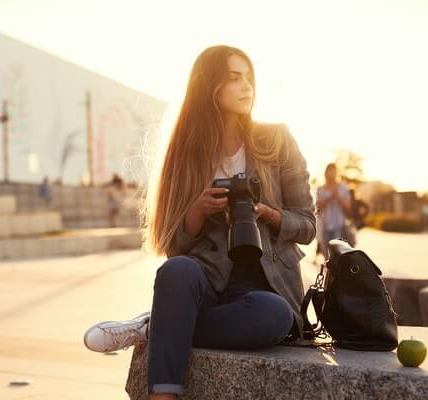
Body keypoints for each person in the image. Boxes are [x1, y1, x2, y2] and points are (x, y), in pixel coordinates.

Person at [82, 45, 315, 399]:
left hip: (265, 289)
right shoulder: (187, 152)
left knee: (275, 316)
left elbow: (308, 225)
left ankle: (156, 325)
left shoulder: (276, 140)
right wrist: (196, 211)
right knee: (176, 271)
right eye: (234, 77)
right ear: (210, 85)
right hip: (207, 284)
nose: (246, 86)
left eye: (249, 77)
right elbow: (171, 246)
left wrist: (270, 214)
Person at [315, 163, 351, 259]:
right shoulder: (321, 189)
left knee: (339, 255)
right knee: (326, 255)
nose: (332, 174)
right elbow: (317, 207)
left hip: (339, 226)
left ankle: (338, 273)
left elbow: (348, 206)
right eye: (330, 171)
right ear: (326, 173)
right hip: (324, 226)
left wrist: (338, 196)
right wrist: (330, 198)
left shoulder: (343, 187)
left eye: (334, 171)